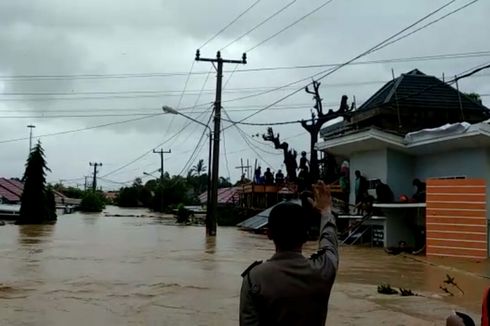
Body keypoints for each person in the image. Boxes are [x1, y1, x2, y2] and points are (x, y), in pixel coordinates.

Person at [240, 181, 338, 326]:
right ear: (306, 236)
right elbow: (329, 243)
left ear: (268, 234)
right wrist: (326, 211)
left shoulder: (254, 277)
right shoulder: (323, 269)